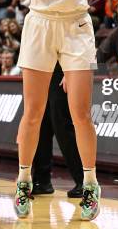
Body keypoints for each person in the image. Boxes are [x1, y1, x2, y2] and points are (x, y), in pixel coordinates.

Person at [0, 0, 106, 220]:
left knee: (80, 113)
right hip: (40, 25)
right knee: (33, 112)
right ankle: (24, 180)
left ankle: (90, 184)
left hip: (76, 26)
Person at [32, 63, 84, 199]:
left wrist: (68, 71)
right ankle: (42, 181)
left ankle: (84, 180)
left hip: (61, 69)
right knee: (41, 126)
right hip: (42, 69)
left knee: (62, 126)